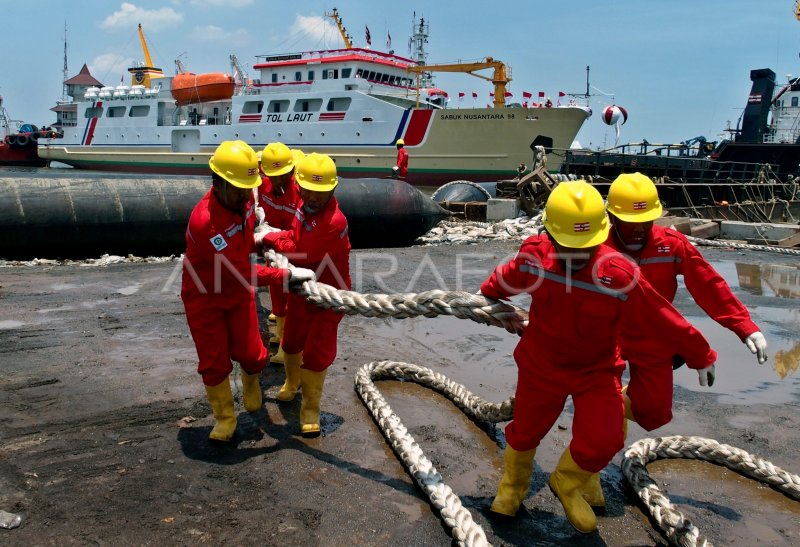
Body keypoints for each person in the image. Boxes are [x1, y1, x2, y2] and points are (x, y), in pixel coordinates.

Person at [479, 180, 717, 533]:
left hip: (596, 370)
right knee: (526, 431)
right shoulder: (533, 258)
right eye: (568, 246)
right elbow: (496, 285)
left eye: (586, 247)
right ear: (550, 235)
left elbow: (661, 316)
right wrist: (498, 308)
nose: (577, 255)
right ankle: (512, 488)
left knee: (605, 439)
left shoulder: (618, 273)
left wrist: (700, 353)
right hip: (542, 366)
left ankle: (567, 481)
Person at [604, 172, 768, 431]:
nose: (639, 229)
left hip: (651, 335)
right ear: (612, 217)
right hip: (605, 334)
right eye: (629, 222)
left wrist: (745, 326)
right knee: (597, 405)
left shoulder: (671, 246)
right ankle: (601, 416)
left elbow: (708, 285)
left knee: (654, 414)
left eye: (646, 221)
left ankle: (618, 399)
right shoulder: (596, 246)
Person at [181, 140, 315, 443]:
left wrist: (263, 236)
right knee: (213, 362)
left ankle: (251, 381)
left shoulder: (240, 203)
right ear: (219, 183)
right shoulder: (206, 222)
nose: (245, 194)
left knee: (253, 355)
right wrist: (286, 273)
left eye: (248, 188)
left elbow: (243, 247)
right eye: (239, 188)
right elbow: (240, 272)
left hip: (238, 296)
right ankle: (225, 418)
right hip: (205, 297)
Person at [255, 152, 351, 438]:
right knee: (292, 339)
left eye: (321, 192)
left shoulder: (333, 221)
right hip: (302, 288)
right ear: (299, 186)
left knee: (317, 352)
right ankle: (292, 382)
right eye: (308, 190)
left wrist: (266, 237)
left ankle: (310, 407)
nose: (313, 197)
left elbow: (298, 249)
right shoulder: (303, 206)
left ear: (333, 189)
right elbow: (295, 238)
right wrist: (272, 235)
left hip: (328, 296)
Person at [256, 142, 303, 366]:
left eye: (283, 175)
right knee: (275, 290)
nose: (278, 180)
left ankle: (288, 344)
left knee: (293, 295)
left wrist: (272, 235)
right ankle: (281, 333)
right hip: (272, 248)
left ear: (292, 171)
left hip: (294, 252)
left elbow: (299, 233)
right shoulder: (263, 188)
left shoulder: (300, 193)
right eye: (273, 175)